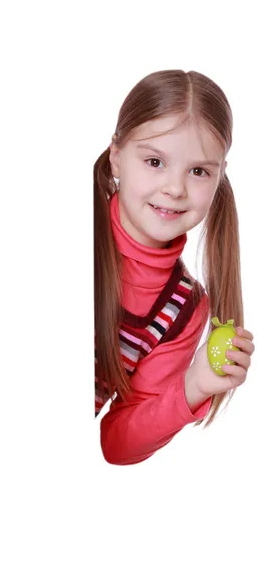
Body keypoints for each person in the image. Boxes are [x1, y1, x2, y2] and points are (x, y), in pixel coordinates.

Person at [94, 69, 255, 466]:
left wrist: (191, 387)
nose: (175, 188)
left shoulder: (182, 308)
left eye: (198, 171)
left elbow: (117, 445)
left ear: (220, 177)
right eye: (154, 161)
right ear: (117, 155)